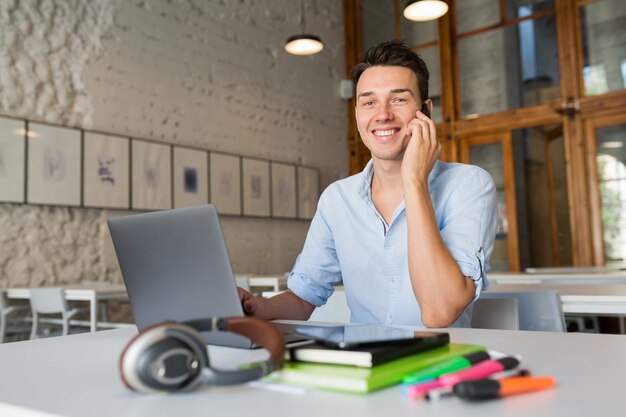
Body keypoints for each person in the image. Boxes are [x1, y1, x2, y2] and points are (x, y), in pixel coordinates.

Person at [238, 40, 498, 328]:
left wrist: (414, 181)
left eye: (399, 99)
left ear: (425, 111)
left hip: (440, 366)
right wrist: (254, 306)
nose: (382, 114)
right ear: (358, 115)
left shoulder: (469, 186)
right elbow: (302, 299)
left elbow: (440, 312)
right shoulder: (337, 198)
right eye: (369, 102)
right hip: (363, 364)